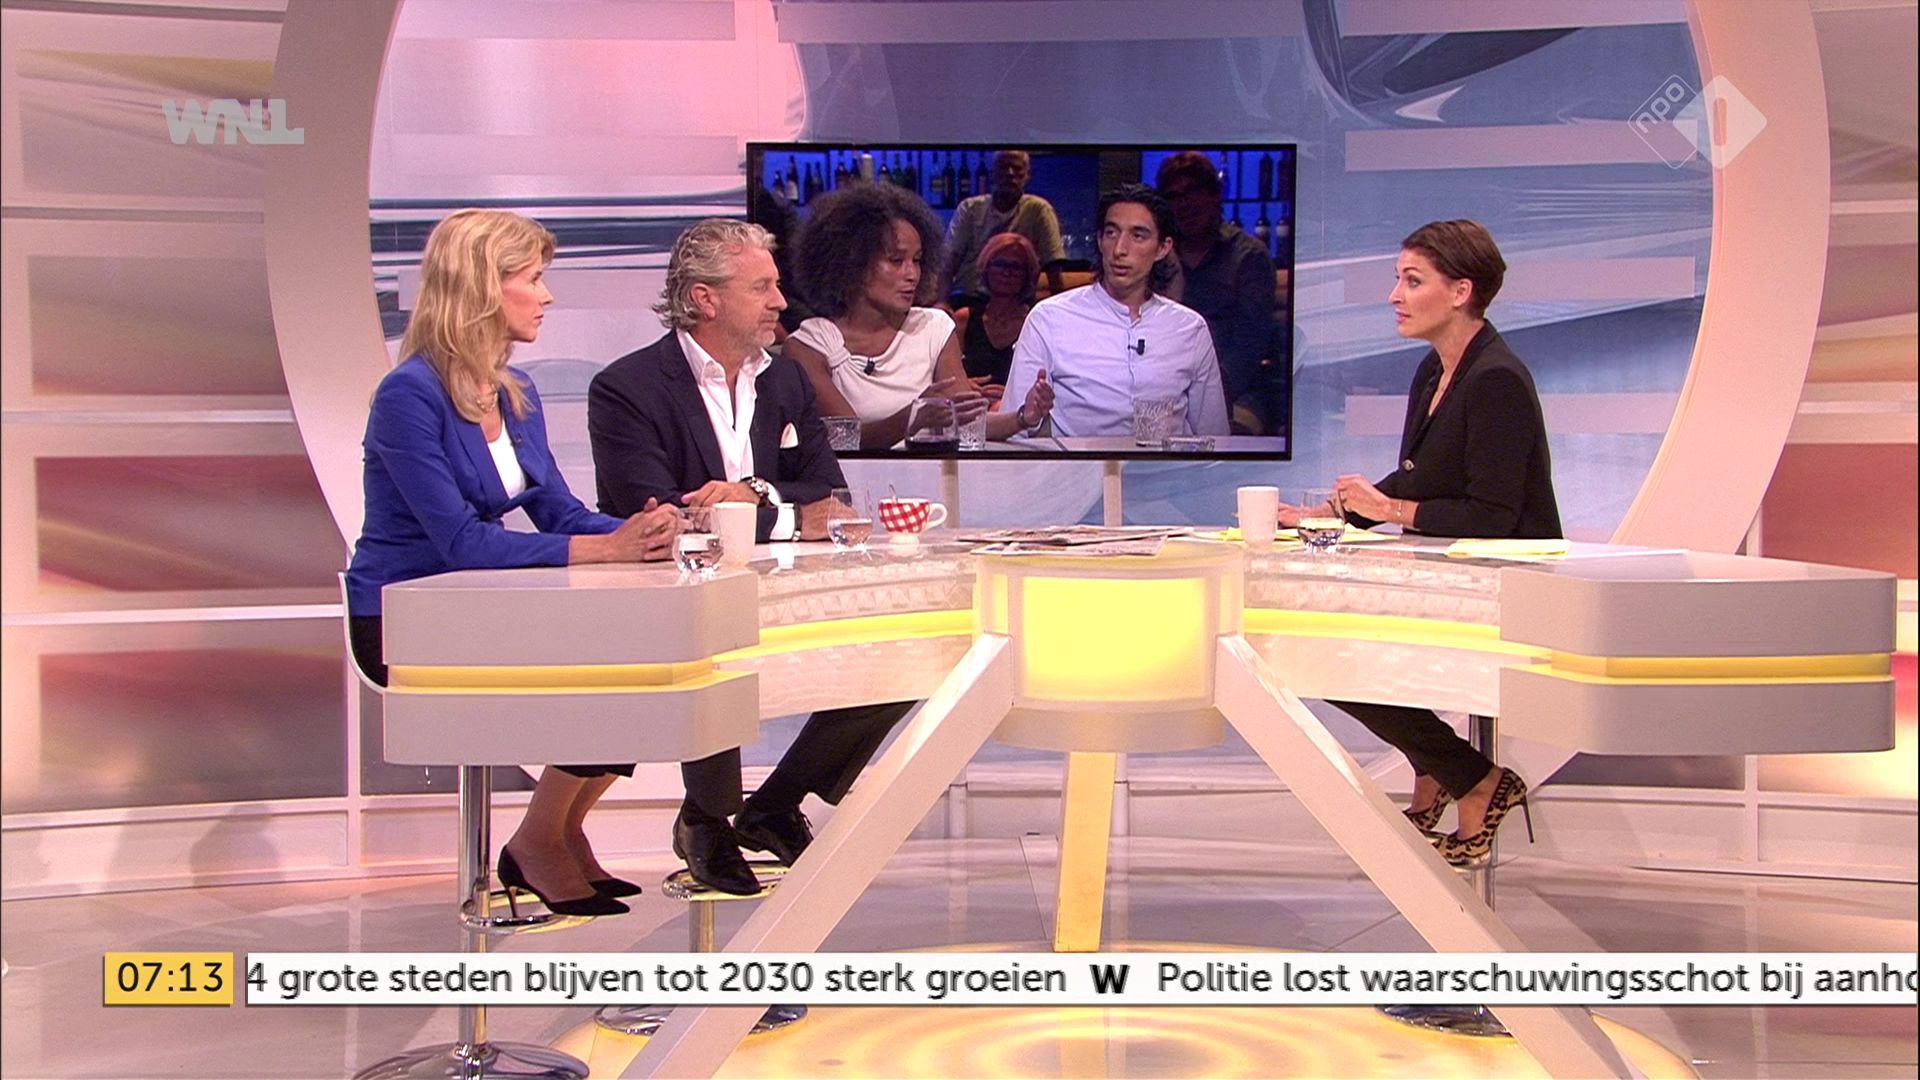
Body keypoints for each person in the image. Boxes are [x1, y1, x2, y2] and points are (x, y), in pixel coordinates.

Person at [345, 209, 682, 918]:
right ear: (482, 288)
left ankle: (559, 830)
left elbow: (559, 513)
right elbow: (461, 543)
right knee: (609, 667)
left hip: (483, 603)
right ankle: (537, 841)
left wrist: (646, 532)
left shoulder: (513, 390)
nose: (547, 295)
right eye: (532, 278)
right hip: (405, 616)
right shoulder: (409, 395)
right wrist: (607, 549)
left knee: (646, 658)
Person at [587, 219, 916, 895]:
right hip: (679, 602)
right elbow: (665, 518)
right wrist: (788, 515)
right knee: (715, 646)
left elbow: (833, 497)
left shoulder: (786, 380)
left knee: (905, 649)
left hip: (783, 588)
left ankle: (775, 805)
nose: (780, 302)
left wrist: (754, 494)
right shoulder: (628, 388)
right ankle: (706, 818)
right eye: (762, 287)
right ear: (705, 299)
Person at [1282, 219, 1554, 867]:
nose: (1394, 296)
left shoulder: (1496, 379)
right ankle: (1438, 767)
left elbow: (1493, 515)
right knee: (1315, 638)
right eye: (1397, 280)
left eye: (1412, 281)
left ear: (1460, 292)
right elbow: (1418, 478)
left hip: (1506, 585)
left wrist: (1388, 510)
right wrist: (1328, 516)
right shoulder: (1435, 371)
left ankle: (1474, 779)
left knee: (1327, 650)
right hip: (1451, 573)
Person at [785, 182, 1053, 447]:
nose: (912, 274)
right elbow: (845, 440)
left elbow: (967, 423)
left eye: (917, 260)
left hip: (929, 474)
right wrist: (914, 417)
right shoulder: (809, 346)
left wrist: (1023, 417)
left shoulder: (934, 328)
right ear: (853, 262)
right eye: (896, 260)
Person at [1002, 184, 1229, 439]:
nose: (1120, 249)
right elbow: (1015, 431)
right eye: (1111, 233)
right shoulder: (1048, 319)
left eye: (1138, 236)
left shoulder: (1190, 328)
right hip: (1079, 464)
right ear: (1100, 240)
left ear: (1163, 248)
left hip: (1165, 464)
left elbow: (1215, 437)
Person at [1155, 151, 1283, 433]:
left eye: (1192, 191)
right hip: (1168, 392)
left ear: (1215, 195)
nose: (1184, 204)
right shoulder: (1158, 259)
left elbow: (1246, 351)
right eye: (1174, 196)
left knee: (1222, 434)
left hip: (1237, 393)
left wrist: (1201, 402)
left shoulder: (1249, 257)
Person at [938, 150, 1068, 303]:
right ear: (992, 173)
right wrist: (941, 302)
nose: (1010, 173)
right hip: (969, 298)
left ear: (1028, 175)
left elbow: (1054, 268)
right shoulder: (969, 208)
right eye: (1003, 167)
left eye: (1017, 168)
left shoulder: (1040, 210)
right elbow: (948, 262)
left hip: (1019, 302)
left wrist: (1062, 310)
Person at [952, 232, 1040, 387]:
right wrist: (965, 384)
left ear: (1027, 274)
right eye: (1000, 264)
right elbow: (948, 376)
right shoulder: (963, 319)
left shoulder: (1036, 322)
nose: (1007, 273)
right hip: (971, 399)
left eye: (1016, 267)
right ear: (986, 268)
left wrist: (1011, 394)